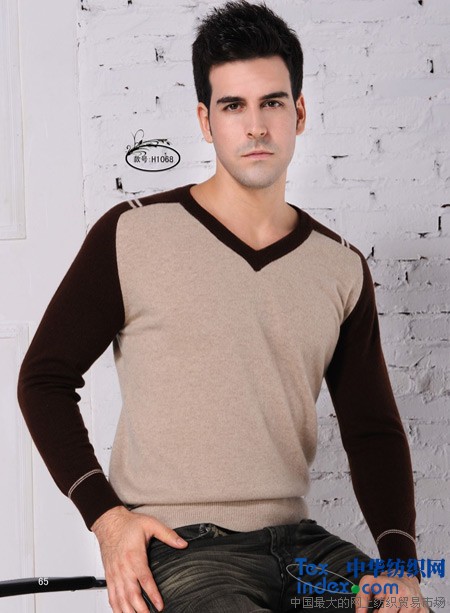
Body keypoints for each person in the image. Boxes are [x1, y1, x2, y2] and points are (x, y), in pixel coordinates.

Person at [17, 2, 432, 612]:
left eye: (272, 103)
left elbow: (372, 430)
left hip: (302, 546)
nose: (255, 126)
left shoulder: (339, 267)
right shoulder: (132, 234)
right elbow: (44, 379)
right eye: (233, 106)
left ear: (299, 113)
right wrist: (107, 518)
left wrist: (398, 566)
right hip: (182, 548)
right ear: (206, 121)